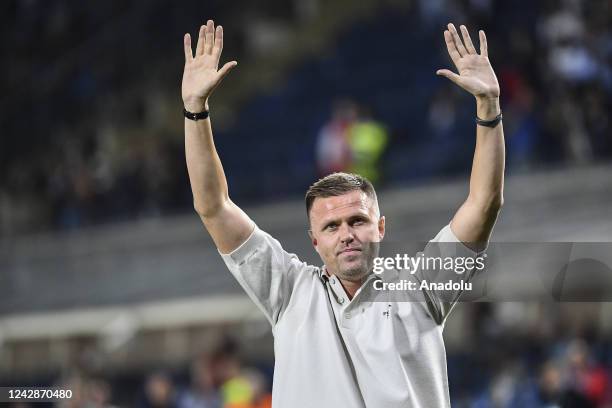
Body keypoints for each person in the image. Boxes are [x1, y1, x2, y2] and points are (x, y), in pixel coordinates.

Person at [181, 19, 504, 407]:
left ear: (380, 227)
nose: (346, 233)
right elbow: (213, 207)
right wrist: (195, 111)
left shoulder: (422, 288)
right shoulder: (287, 291)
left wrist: (488, 107)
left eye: (358, 221)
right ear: (314, 240)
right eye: (331, 226)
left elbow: (484, 203)